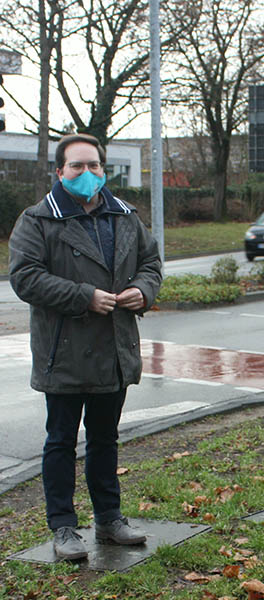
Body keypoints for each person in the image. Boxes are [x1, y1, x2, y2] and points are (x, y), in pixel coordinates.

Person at [9, 133, 162, 561]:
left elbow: (151, 263)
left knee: (105, 440)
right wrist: (83, 296)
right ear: (60, 172)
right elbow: (25, 277)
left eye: (94, 165)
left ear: (103, 169)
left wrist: (141, 291)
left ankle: (109, 519)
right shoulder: (38, 220)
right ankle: (62, 526)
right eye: (76, 166)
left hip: (115, 351)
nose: (87, 173)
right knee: (60, 441)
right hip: (65, 353)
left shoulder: (125, 216)